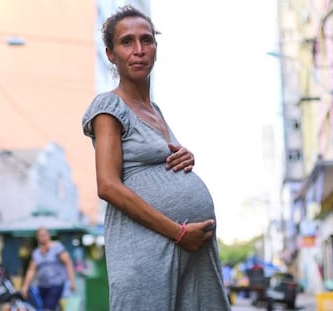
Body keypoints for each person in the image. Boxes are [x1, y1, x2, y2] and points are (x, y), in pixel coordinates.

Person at [82, 5, 231, 310]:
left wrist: (184, 157)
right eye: (127, 42)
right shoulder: (108, 106)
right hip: (150, 253)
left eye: (146, 40)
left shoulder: (156, 111)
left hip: (190, 251)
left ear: (156, 48)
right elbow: (108, 186)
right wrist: (178, 233)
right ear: (111, 54)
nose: (139, 50)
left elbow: (153, 162)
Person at [21, 227, 76, 311]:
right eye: (39, 235)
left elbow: (68, 263)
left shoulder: (57, 248)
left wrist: (71, 281)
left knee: (48, 308)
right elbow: (31, 270)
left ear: (48, 235)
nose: (41, 237)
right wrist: (25, 286)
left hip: (56, 284)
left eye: (43, 235)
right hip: (42, 286)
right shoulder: (36, 253)